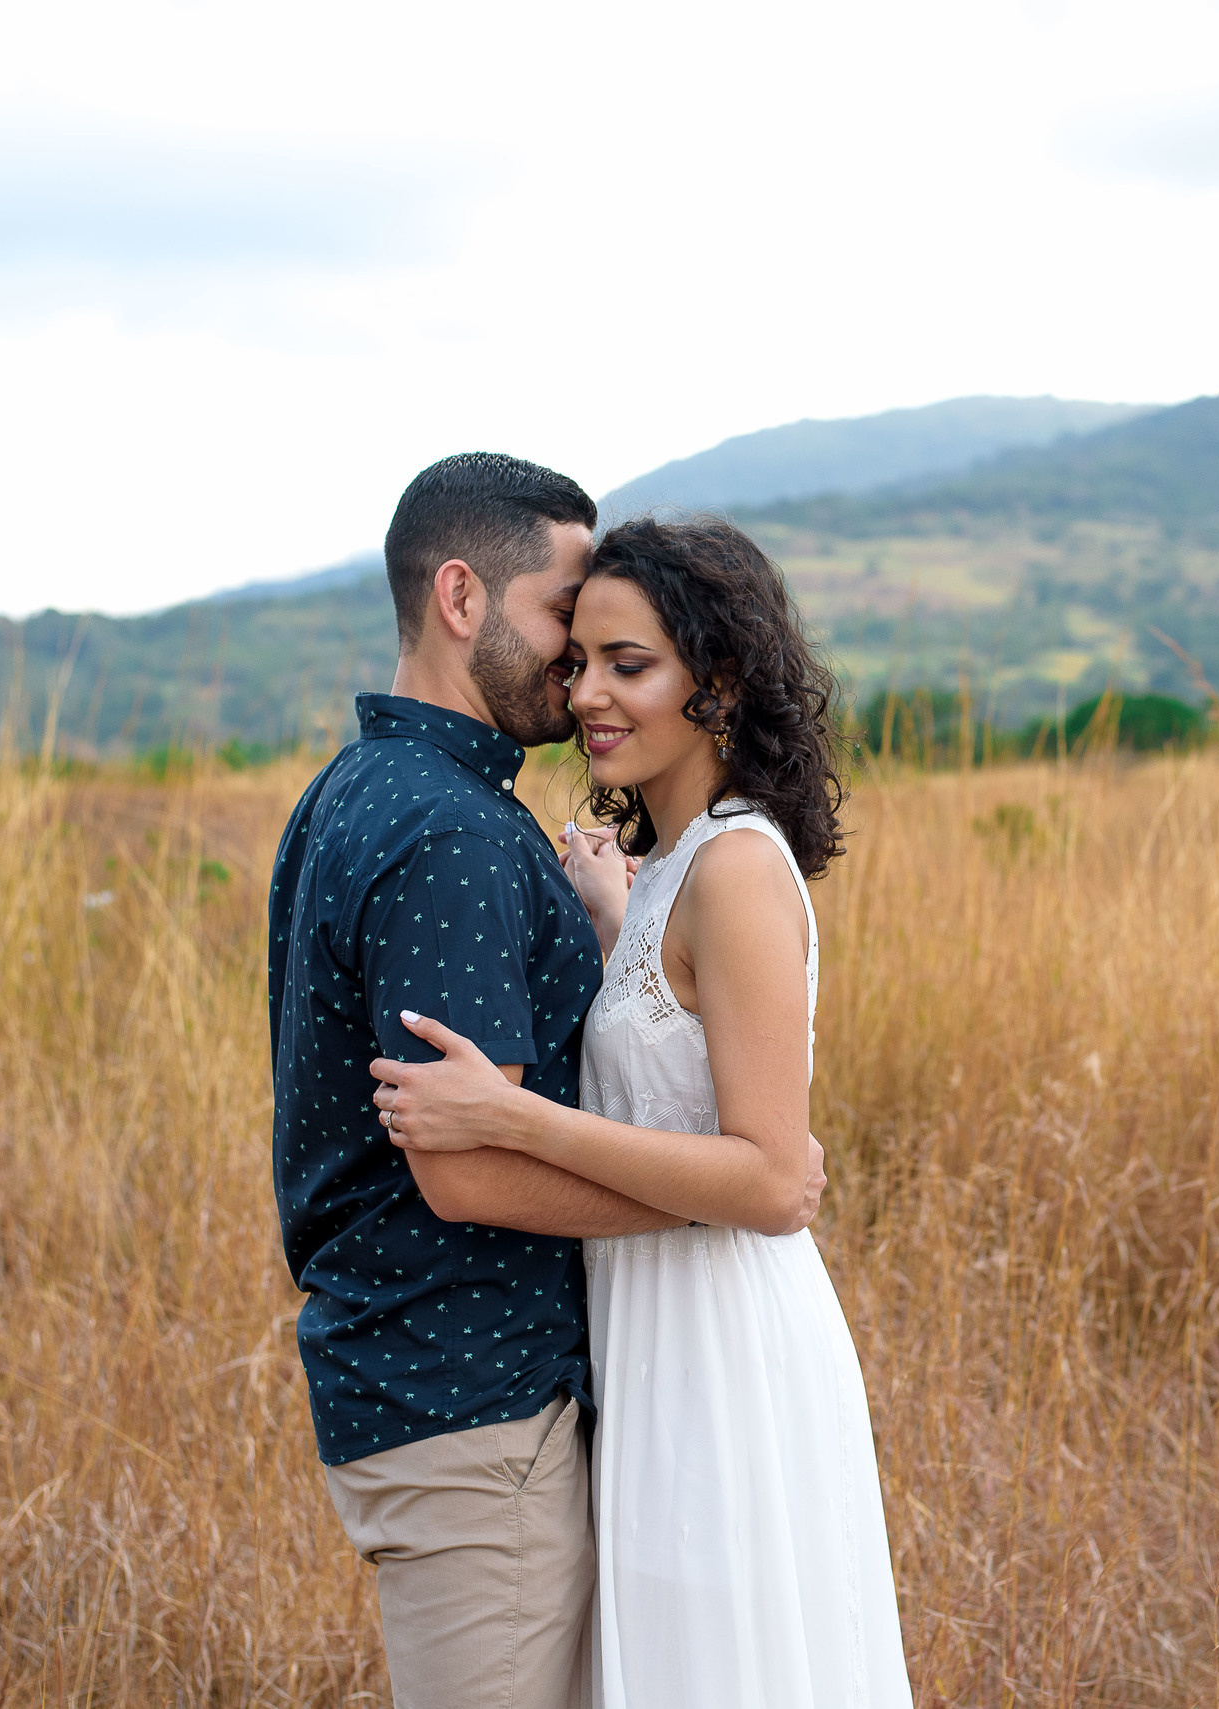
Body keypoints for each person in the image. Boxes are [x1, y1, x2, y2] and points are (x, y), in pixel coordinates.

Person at [267, 455, 825, 1709]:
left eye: (616, 657)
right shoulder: (453, 828)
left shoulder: (357, 792)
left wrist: (611, 933)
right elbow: (463, 1165)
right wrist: (738, 1191)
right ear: (461, 597)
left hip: (459, 1386)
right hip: (475, 1398)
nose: (576, 676)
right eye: (566, 630)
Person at [371, 516, 916, 1709]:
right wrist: (618, 928)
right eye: (581, 663)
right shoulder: (668, 864)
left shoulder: (732, 866)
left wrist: (516, 1122)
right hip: (648, 1327)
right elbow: (675, 1042)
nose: (590, 696)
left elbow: (774, 1178)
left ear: (715, 684)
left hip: (723, 1342)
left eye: (632, 664)